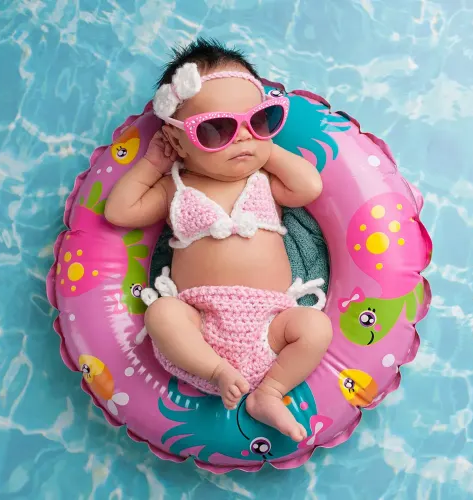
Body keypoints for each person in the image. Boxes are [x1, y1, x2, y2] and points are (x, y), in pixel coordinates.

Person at [104, 38, 332, 442]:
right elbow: (118, 212)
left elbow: (309, 186)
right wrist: (153, 163)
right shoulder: (175, 188)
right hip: (199, 323)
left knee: (315, 327)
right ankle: (215, 369)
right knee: (162, 315)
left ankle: (270, 392)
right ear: (176, 141)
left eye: (258, 121)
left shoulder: (263, 182)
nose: (243, 138)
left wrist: (268, 149)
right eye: (217, 129)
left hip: (271, 323)